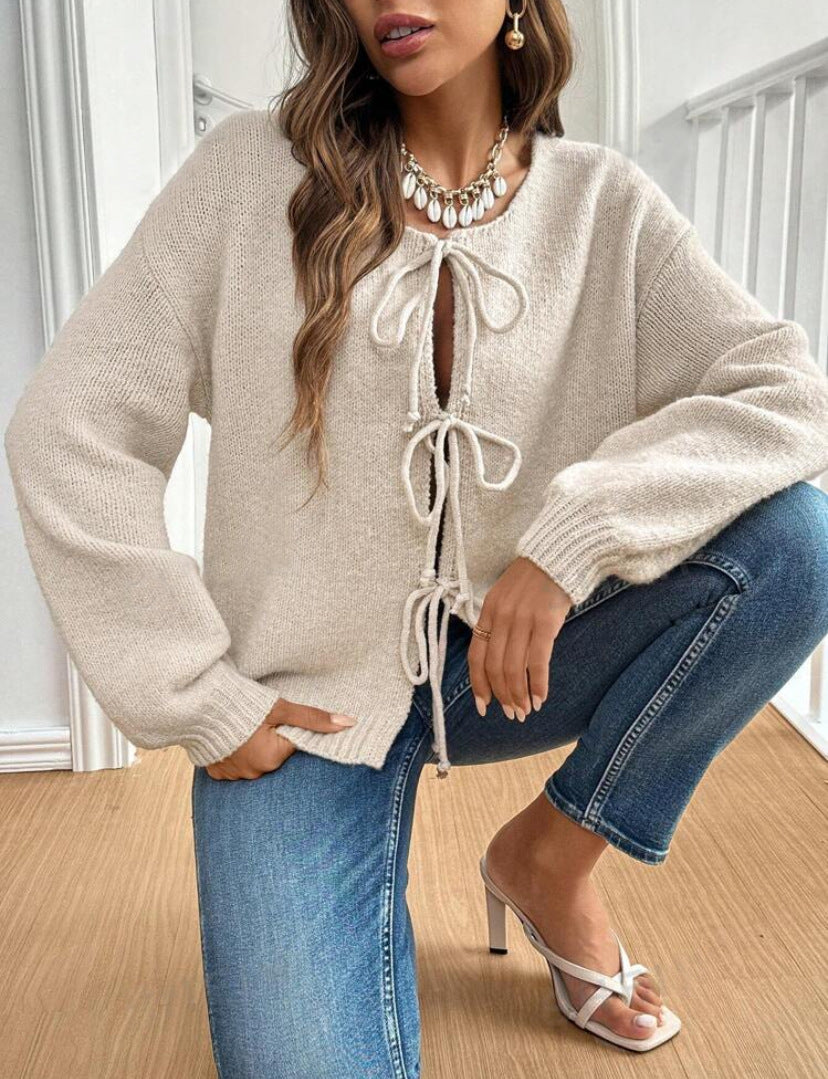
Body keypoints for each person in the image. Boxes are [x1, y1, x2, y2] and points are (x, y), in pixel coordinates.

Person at [6, 0, 828, 1073]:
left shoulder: (604, 205)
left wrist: (571, 538)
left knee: (796, 545)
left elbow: (784, 392)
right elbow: (71, 424)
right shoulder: (245, 177)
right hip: (309, 703)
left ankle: (550, 859)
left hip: (515, 661)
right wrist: (195, 689)